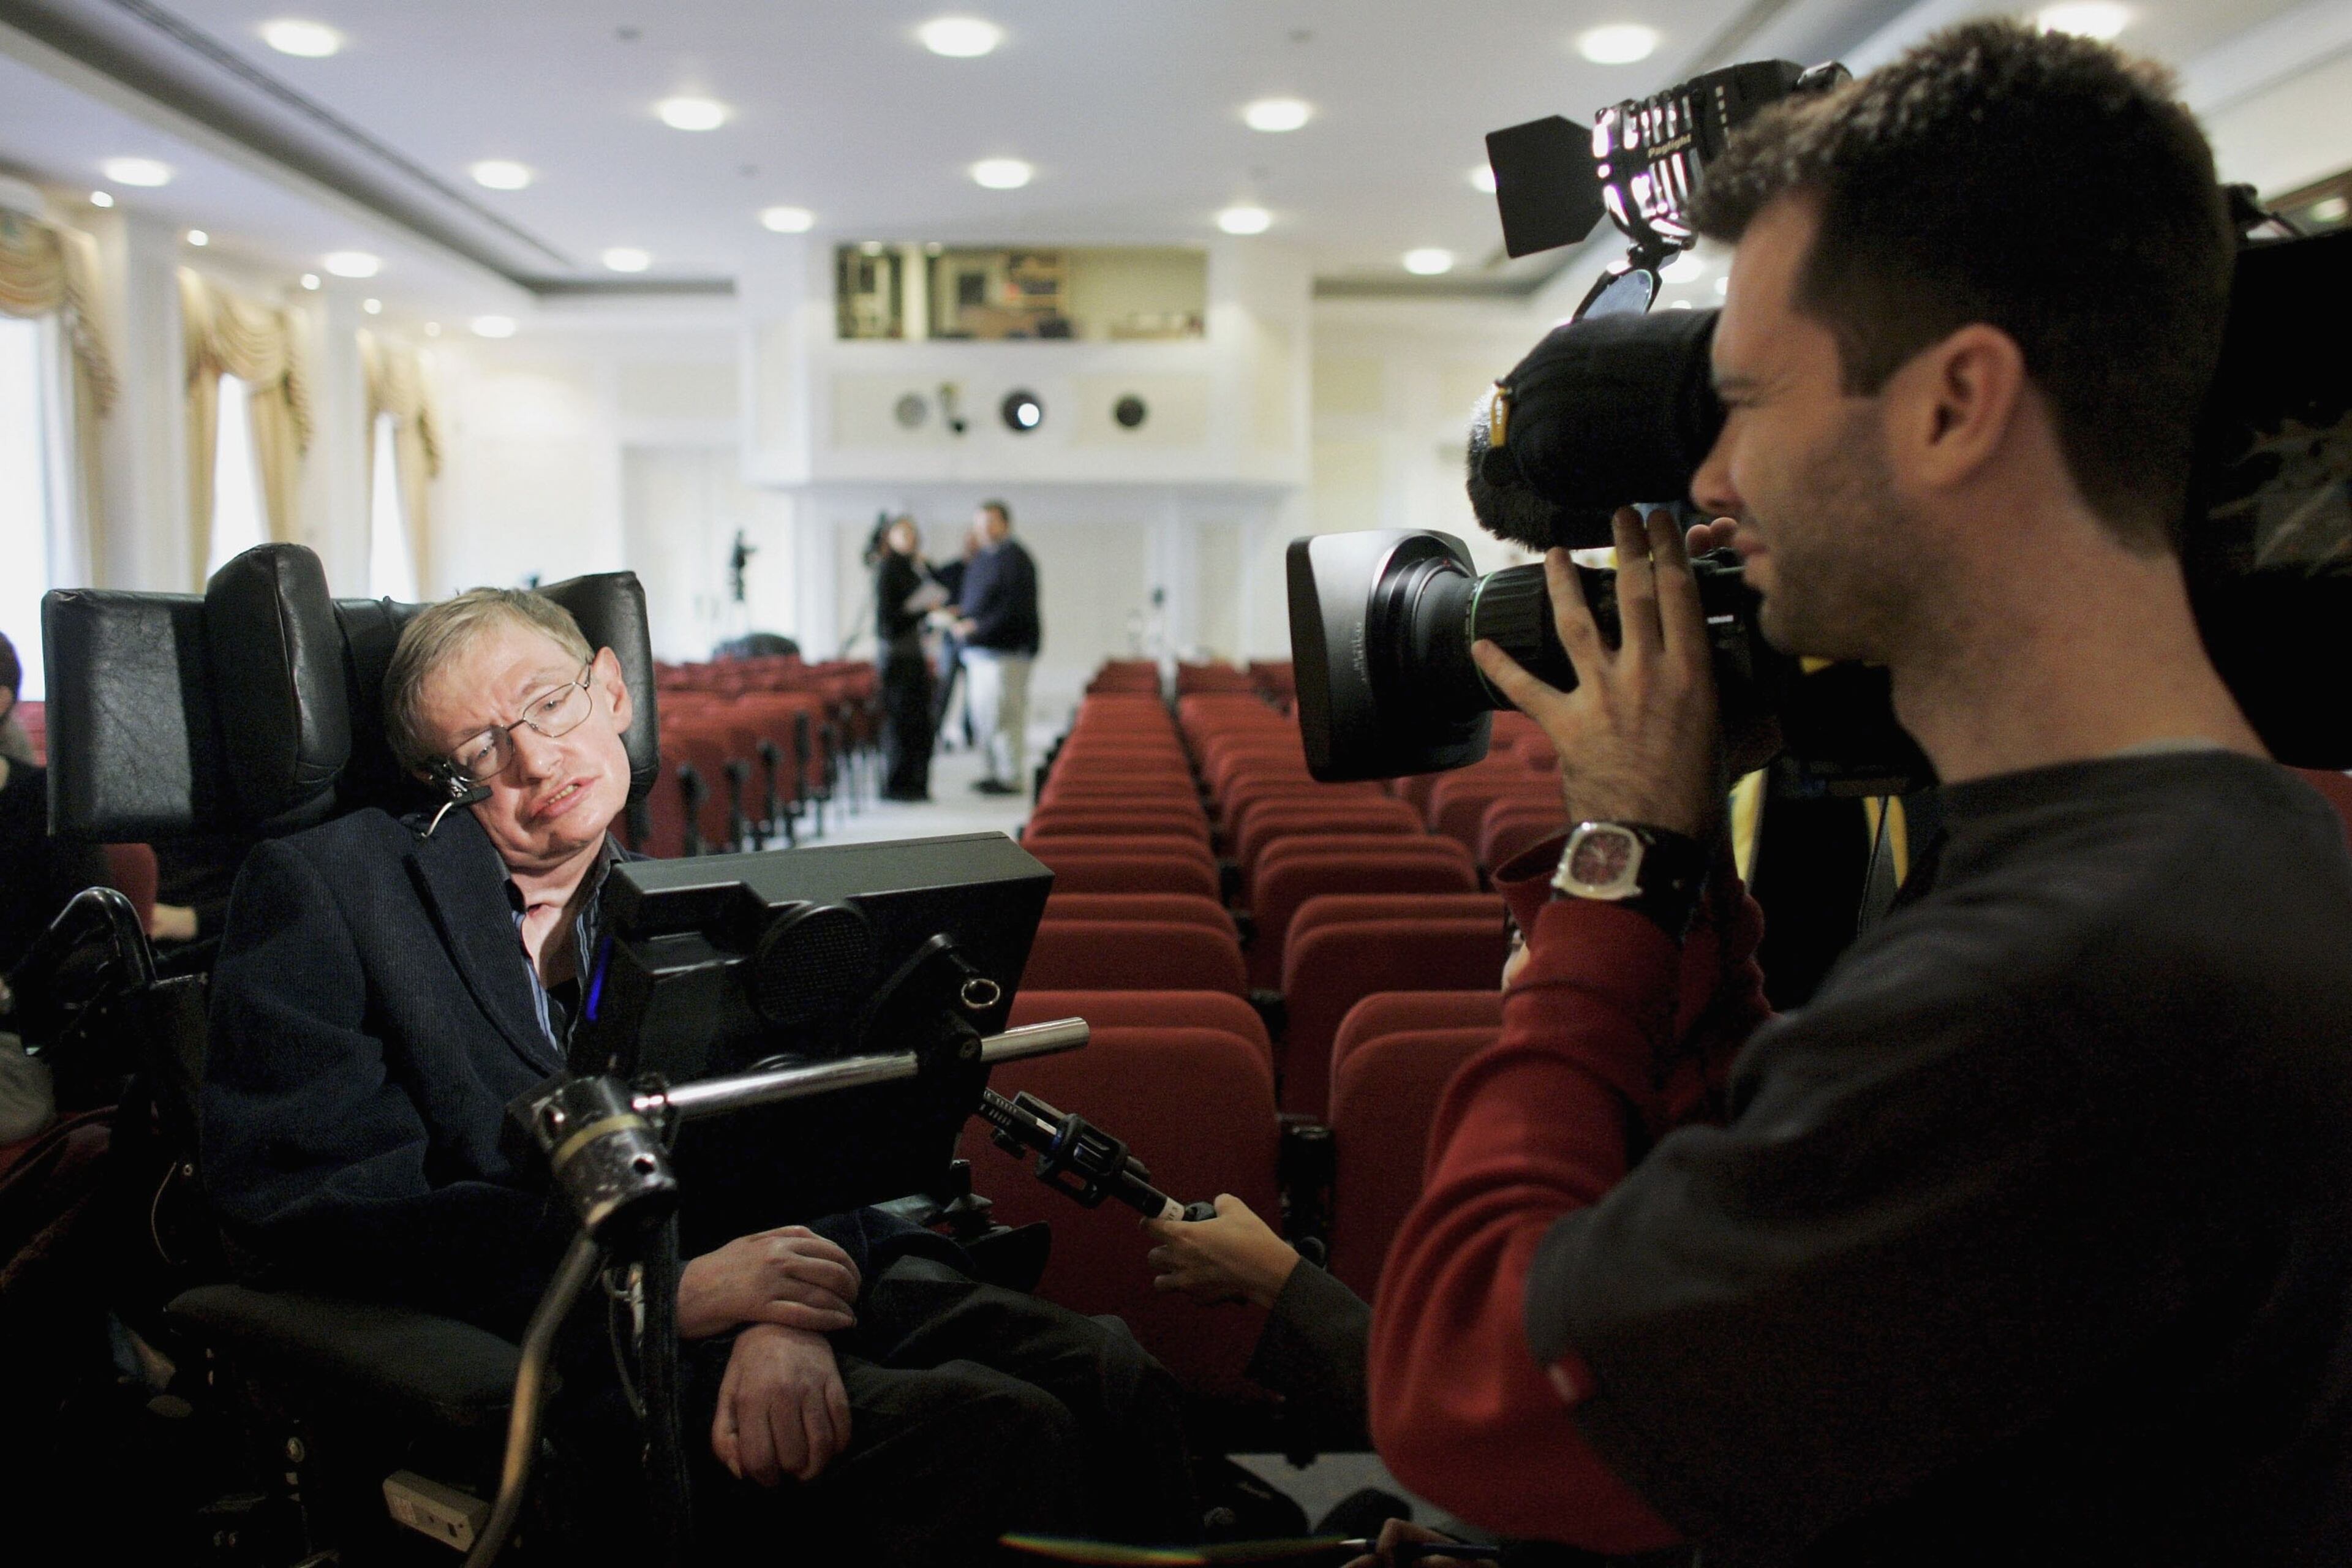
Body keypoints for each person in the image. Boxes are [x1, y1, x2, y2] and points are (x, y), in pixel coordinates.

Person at [1368, 22, 2352, 1566]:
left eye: (1746, 399)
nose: (1706, 484)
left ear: (1954, 405)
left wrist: (1613, 872)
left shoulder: (2059, 988)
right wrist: (1692, 888)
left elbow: (1470, 1385)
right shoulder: (2229, 849)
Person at [201, 588, 1196, 1562]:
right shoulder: (328, 888)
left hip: (758, 1273)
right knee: (998, 1430)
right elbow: (329, 1204)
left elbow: (781, 1119)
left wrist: (778, 1305)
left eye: (549, 704)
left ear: (612, 693)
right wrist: (664, 1293)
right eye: (478, 753)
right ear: (439, 785)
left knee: (1108, 1372)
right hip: (552, 1333)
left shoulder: (668, 892)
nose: (536, 759)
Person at [955, 499, 1041, 796]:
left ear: (1005, 524)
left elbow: (1012, 610)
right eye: (980, 524)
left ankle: (1011, 775)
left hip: (1006, 653)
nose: (985, 529)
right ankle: (994, 771)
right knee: (985, 718)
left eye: (991, 523)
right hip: (980, 653)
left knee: (1005, 716)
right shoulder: (982, 559)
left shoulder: (1015, 560)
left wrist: (976, 627)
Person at [873, 515, 946, 802]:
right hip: (898, 656)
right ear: (889, 537)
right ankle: (900, 784)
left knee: (919, 723)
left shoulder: (914, 567)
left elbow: (936, 585)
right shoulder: (889, 568)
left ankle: (916, 783)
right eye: (901, 534)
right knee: (902, 723)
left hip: (913, 653)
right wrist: (921, 609)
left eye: (912, 533)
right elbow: (889, 621)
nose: (909, 539)